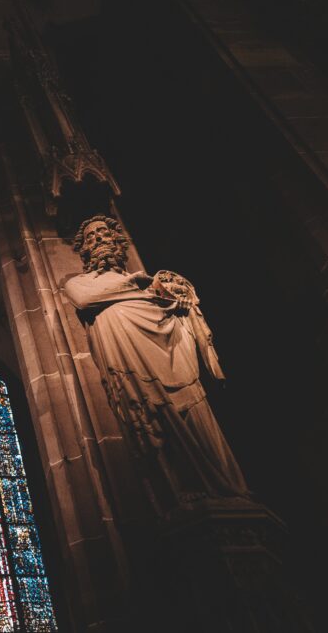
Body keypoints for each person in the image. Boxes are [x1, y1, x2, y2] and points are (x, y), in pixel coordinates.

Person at [62, 215, 247, 507]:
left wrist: (180, 302)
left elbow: (170, 309)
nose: (98, 239)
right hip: (128, 355)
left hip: (167, 350)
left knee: (194, 407)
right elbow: (84, 300)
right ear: (84, 249)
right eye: (91, 237)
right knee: (151, 419)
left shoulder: (149, 286)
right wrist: (135, 285)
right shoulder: (81, 283)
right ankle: (177, 493)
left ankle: (225, 488)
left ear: (117, 241)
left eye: (103, 233)